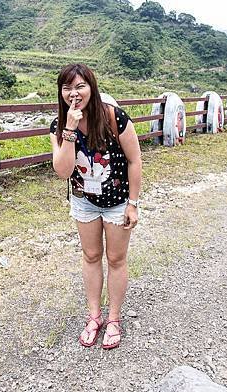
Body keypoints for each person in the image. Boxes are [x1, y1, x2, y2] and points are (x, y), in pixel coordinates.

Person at [50, 63, 142, 349]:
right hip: (84, 202)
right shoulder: (58, 126)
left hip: (117, 202)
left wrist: (133, 204)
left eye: (80, 86)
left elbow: (135, 160)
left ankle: (113, 318)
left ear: (92, 87)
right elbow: (64, 171)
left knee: (116, 259)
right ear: (61, 93)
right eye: (67, 88)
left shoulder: (115, 118)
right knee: (91, 256)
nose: (73, 93)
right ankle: (94, 317)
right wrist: (70, 129)